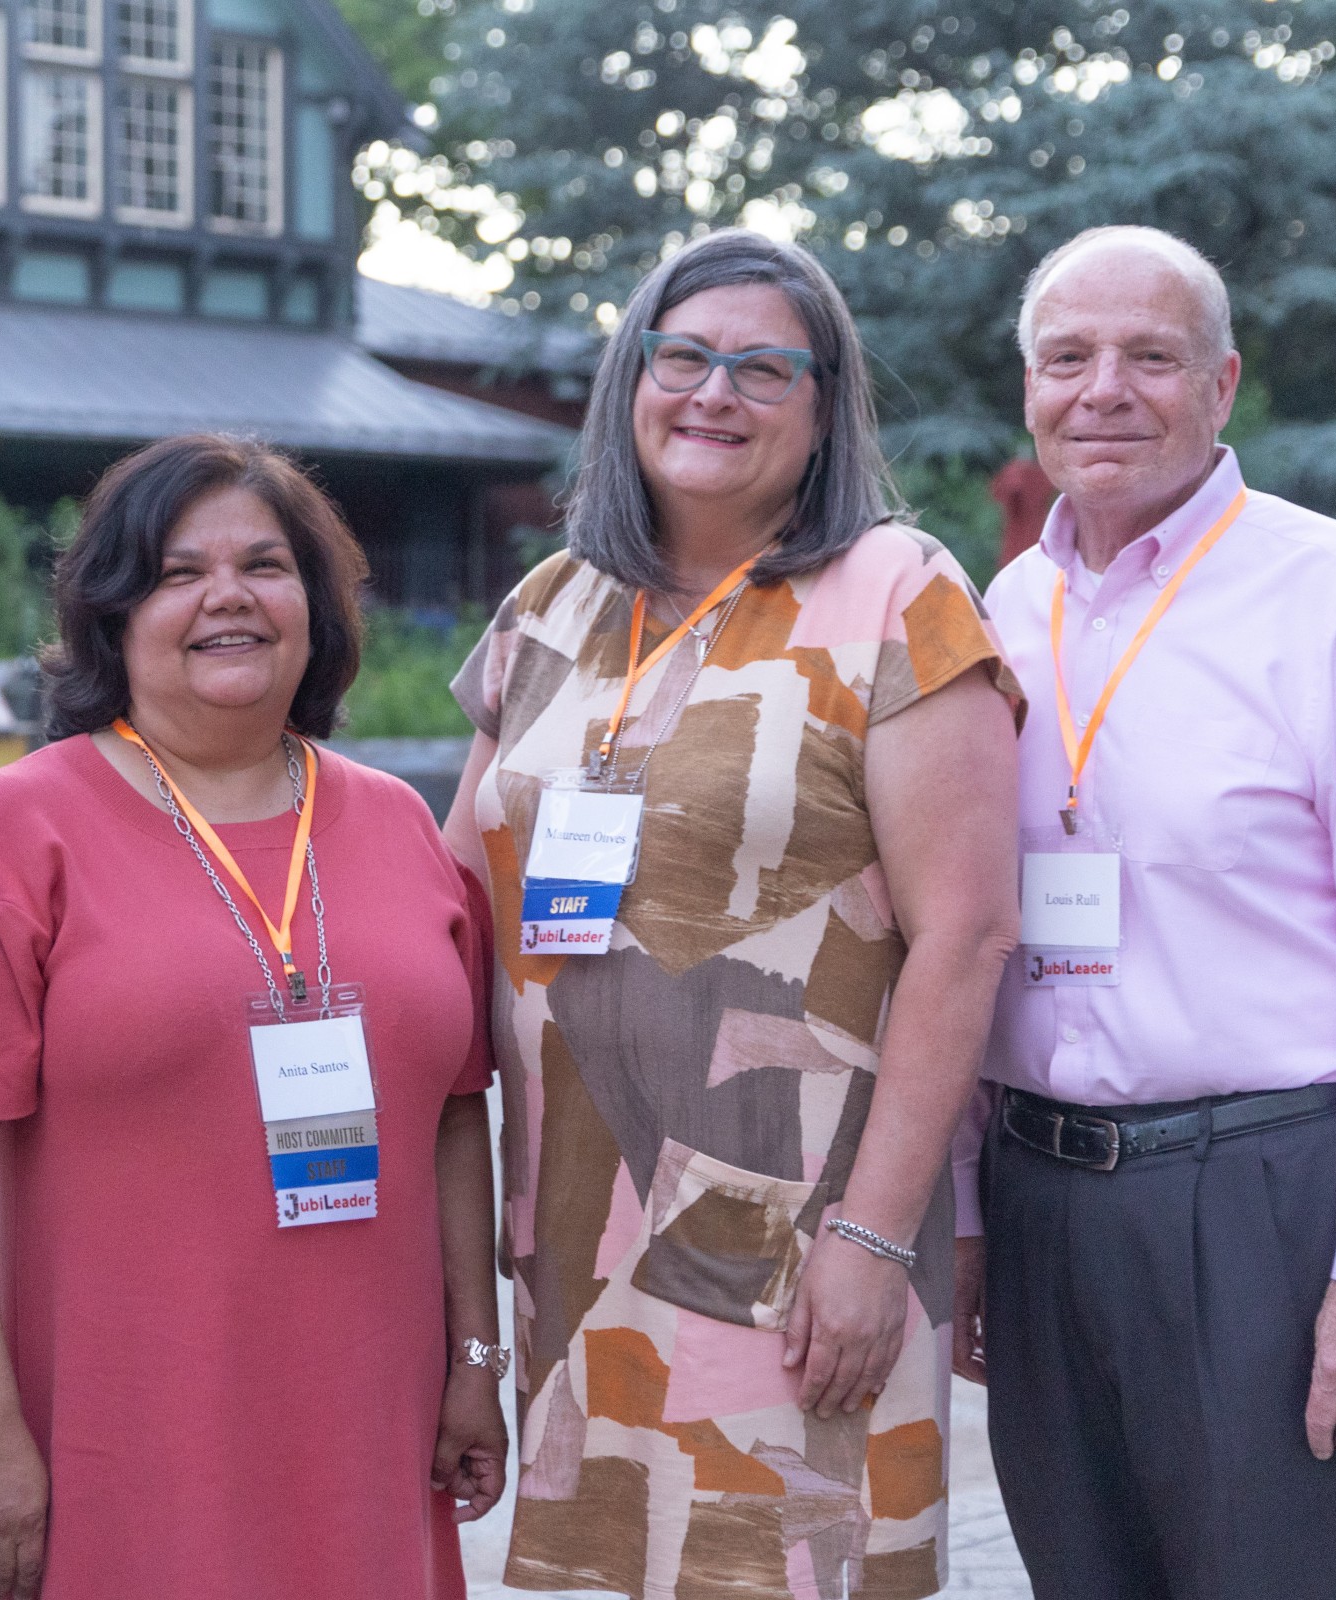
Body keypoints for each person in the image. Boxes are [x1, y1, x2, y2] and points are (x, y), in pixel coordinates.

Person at [444, 229, 1022, 1600]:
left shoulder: (899, 592)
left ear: (824, 413)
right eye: (686, 356)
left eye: (767, 369)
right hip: (577, 1244)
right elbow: (454, 904)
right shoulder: (553, 609)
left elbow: (966, 934)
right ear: (629, 378)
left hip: (796, 1253)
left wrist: (879, 1238)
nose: (716, 392)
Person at [953, 225, 1336, 1599]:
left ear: (1222, 384)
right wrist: (963, 1216)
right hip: (1043, 1205)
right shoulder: (1001, 613)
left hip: (1269, 1205)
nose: (1105, 390)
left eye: (1152, 355)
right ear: (1029, 389)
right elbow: (952, 932)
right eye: (1067, 357)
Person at [0, 433, 507, 1600]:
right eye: (178, 572)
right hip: (126, 1442)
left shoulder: (398, 828)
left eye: (265, 566)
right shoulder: (18, 830)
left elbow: (454, 1114)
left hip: (370, 1432)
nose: (227, 595)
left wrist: (474, 1355)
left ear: (315, 610)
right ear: (112, 613)